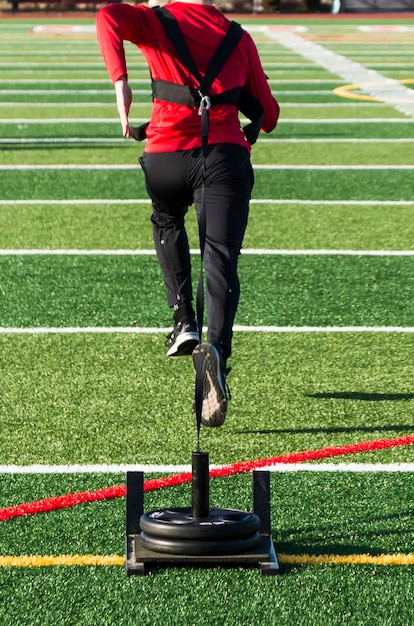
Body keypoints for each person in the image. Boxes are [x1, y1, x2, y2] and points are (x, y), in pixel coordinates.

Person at [96, 0, 279, 427]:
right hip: (222, 158)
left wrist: (121, 81)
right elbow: (268, 115)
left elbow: (107, 15)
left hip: (165, 159)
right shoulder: (238, 37)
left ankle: (183, 321)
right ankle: (215, 347)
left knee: (166, 218)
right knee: (219, 255)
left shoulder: (155, 20)